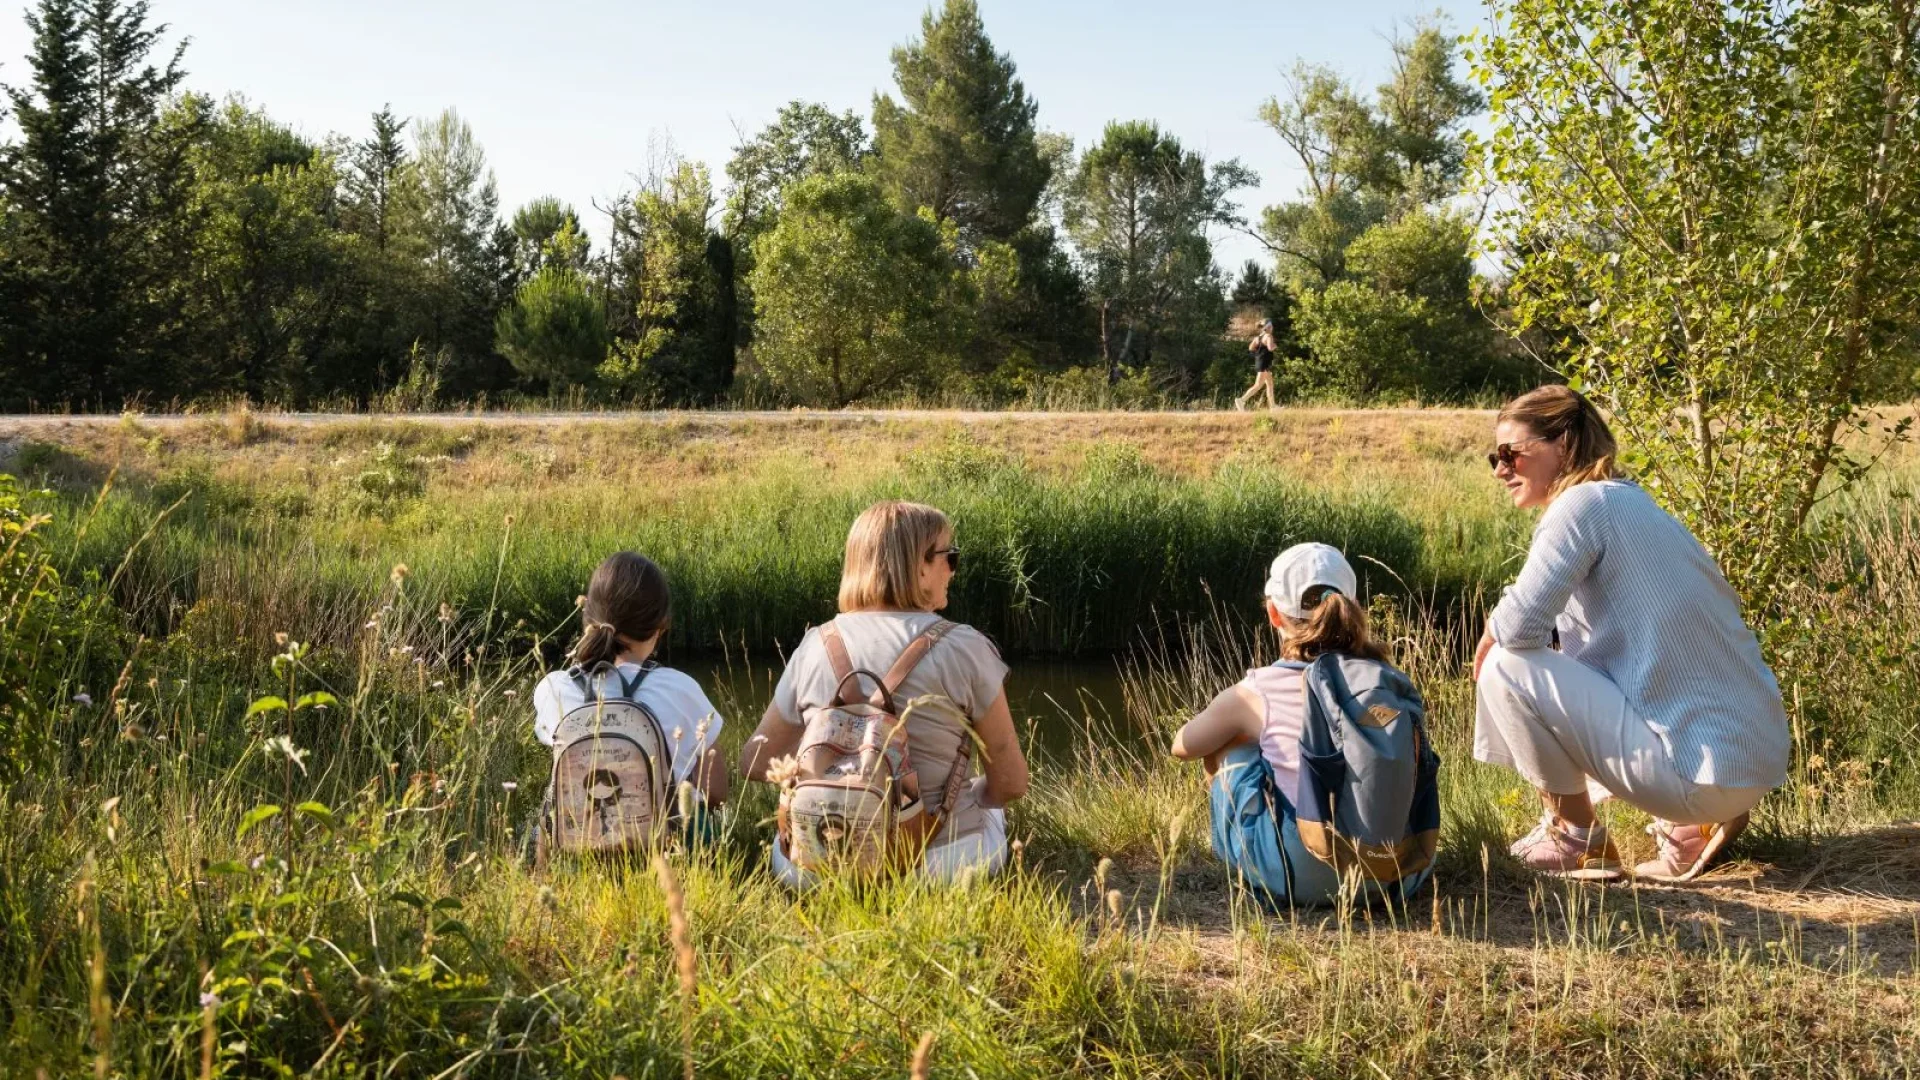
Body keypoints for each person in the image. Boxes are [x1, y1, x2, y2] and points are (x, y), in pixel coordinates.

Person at [1472, 385, 1789, 881]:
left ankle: (1575, 839)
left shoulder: (1580, 505)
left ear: (1564, 444)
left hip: (1697, 773)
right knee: (1578, 664)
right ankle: (1690, 828)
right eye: (1496, 456)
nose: (1499, 469)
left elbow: (1518, 631)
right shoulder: (1633, 503)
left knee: (1505, 668)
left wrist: (1492, 628)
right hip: (1748, 761)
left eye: (1511, 453)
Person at [739, 500, 1028, 886]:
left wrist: (839, 771)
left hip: (814, 868)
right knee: (989, 804)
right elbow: (1010, 783)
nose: (953, 570)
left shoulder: (815, 644)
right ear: (920, 566)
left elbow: (757, 761)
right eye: (949, 556)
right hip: (937, 868)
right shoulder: (965, 646)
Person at [1171, 542, 1428, 906]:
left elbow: (1183, 746)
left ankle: (1244, 859)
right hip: (1395, 876)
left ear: (1274, 614)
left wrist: (1249, 731)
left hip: (1301, 878)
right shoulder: (1388, 680)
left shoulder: (1257, 691)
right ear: (1352, 609)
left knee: (1234, 749)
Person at [532, 552, 729, 820]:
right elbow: (715, 793)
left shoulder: (553, 689)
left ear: (587, 614)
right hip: (666, 846)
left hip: (577, 844)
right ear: (660, 626)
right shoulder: (682, 689)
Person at [1235, 319, 1279, 411]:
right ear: (1269, 327)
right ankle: (1241, 400)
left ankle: (1273, 407)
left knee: (1270, 385)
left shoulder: (1258, 338)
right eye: (1272, 326)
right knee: (1258, 385)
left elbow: (1250, 348)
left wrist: (1259, 354)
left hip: (1260, 362)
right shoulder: (1269, 336)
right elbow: (1270, 348)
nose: (1273, 328)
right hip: (1264, 364)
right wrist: (1275, 346)